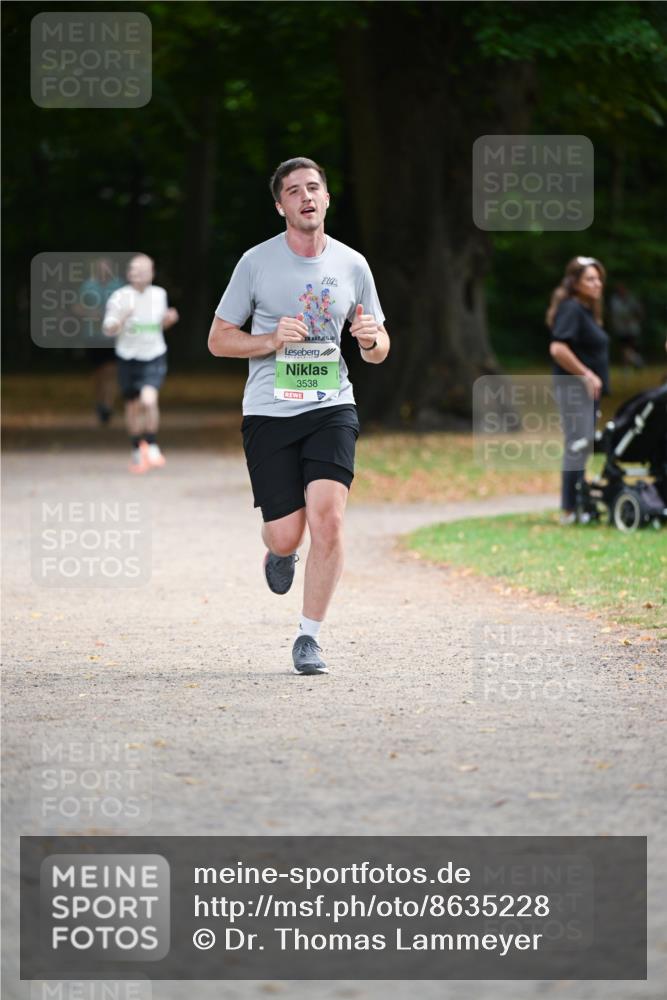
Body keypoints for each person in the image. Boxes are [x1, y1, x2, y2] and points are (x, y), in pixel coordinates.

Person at [208, 156, 390, 675]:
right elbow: (218, 339)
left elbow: (379, 347)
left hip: (332, 406)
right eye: (294, 191)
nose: (306, 196)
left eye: (314, 188)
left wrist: (372, 341)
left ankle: (309, 637)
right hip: (269, 411)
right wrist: (268, 339)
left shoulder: (353, 264)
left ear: (328, 198)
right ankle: (279, 552)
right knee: (287, 534)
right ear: (280, 205)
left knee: (328, 521)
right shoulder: (256, 263)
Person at [547, 256, 610, 524]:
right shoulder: (571, 309)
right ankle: (569, 510)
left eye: (598, 279)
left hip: (587, 393)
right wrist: (585, 374)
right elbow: (558, 348)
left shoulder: (587, 310)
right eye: (590, 279)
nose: (597, 284)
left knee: (582, 446)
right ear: (575, 283)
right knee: (576, 444)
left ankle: (579, 504)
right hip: (573, 389)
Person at [102, 254, 179, 473]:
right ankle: (137, 448)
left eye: (144, 270)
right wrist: (120, 320)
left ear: (152, 273)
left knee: (149, 399)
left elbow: (160, 325)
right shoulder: (119, 297)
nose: (139, 274)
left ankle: (152, 444)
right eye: (135, 270)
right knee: (133, 407)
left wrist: (168, 320)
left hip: (154, 355)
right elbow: (108, 328)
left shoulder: (159, 294)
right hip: (128, 357)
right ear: (129, 274)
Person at [72, 258, 123, 424]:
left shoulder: (119, 285)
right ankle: (100, 402)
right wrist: (89, 312)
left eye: (106, 269)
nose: (104, 272)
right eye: (101, 269)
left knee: (112, 370)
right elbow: (76, 307)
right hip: (93, 335)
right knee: (99, 373)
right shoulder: (88, 286)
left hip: (114, 336)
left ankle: (108, 406)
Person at [608, 282, 645, 368]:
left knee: (632, 348)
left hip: (632, 328)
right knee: (624, 348)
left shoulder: (632, 298)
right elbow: (615, 313)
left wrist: (636, 319)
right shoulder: (615, 300)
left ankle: (635, 363)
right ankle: (629, 365)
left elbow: (640, 311)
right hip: (621, 328)